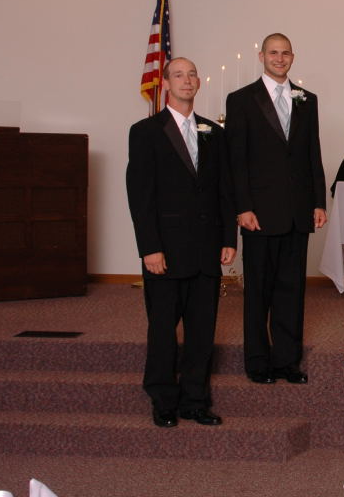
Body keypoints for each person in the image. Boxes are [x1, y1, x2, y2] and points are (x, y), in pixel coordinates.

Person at [125, 57, 237, 427]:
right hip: (165, 251)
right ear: (166, 84)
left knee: (202, 331)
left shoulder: (213, 132)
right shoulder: (145, 132)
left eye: (191, 75)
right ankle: (162, 399)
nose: (186, 81)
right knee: (162, 329)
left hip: (207, 248)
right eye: (178, 75)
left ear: (198, 83)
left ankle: (195, 400)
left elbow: (225, 189)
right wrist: (149, 248)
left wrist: (229, 237)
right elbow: (140, 196)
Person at [225, 33, 327, 385]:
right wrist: (242, 207)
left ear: (293, 57)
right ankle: (257, 361)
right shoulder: (241, 100)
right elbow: (236, 160)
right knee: (258, 291)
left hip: (298, 211)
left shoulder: (307, 99)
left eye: (285, 53)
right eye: (273, 53)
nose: (279, 58)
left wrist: (318, 201)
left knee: (292, 290)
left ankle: (287, 361)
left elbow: (312, 153)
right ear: (261, 56)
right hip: (259, 213)